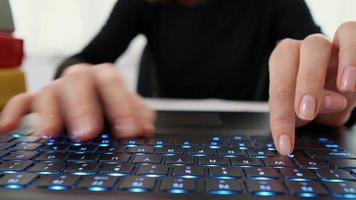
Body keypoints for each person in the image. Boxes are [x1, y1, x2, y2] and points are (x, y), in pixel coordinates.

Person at [0, 0, 355, 155]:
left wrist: (335, 90)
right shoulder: (144, 2)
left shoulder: (276, 2)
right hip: (149, 137)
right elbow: (85, 58)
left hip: (257, 137)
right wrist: (77, 75)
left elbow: (323, 63)